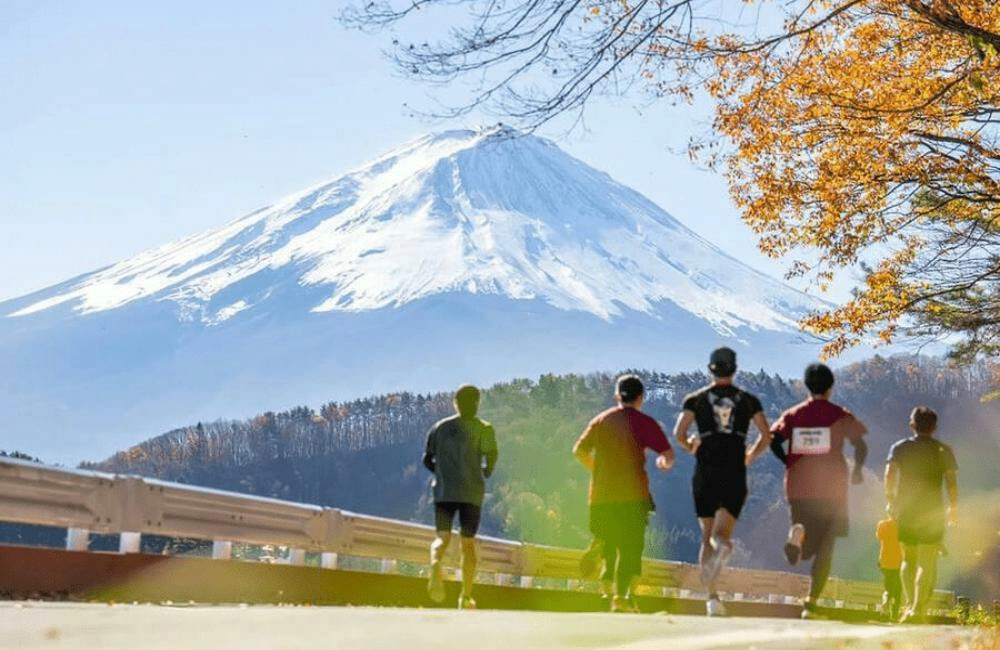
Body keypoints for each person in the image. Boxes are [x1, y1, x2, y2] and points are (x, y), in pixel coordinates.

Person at [673, 347, 772, 617]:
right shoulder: (749, 400)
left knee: (706, 536)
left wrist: (691, 445)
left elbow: (679, 433)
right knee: (721, 534)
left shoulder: (696, 399)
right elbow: (766, 435)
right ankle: (724, 546)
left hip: (706, 469)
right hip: (734, 470)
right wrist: (750, 456)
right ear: (734, 369)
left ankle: (712, 599)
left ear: (710, 369)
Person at [770, 363, 868, 619]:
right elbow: (860, 445)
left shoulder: (793, 414)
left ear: (807, 386)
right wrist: (857, 470)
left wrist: (788, 461)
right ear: (831, 387)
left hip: (799, 484)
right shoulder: (840, 414)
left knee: (804, 531)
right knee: (825, 548)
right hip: (832, 488)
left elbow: (773, 440)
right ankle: (811, 605)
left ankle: (797, 531)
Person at [573, 374, 674, 613]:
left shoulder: (601, 420)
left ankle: (614, 591)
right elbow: (668, 455)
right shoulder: (644, 423)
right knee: (631, 549)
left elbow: (578, 451)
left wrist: (597, 470)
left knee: (610, 549)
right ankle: (622, 598)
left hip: (601, 496)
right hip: (632, 495)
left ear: (617, 395)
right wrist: (662, 463)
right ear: (641, 398)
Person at [423, 384, 499, 609]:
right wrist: (486, 471)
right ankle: (466, 596)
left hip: (444, 492)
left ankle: (435, 562)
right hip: (471, 493)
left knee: (442, 538)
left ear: (455, 403)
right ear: (477, 403)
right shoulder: (484, 428)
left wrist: (442, 473)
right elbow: (491, 455)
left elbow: (427, 459)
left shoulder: (440, 427)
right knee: (467, 544)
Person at [884, 406, 958, 623]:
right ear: (934, 427)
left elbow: (889, 475)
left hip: (907, 509)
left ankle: (908, 605)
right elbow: (951, 484)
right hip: (932, 511)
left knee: (908, 559)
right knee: (927, 560)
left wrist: (890, 501)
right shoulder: (944, 450)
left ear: (912, 425)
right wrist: (953, 508)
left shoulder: (900, 448)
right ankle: (917, 608)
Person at [876, 514, 903, 621]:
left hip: (885, 560)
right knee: (897, 590)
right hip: (899, 561)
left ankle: (885, 606)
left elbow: (880, 538)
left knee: (888, 586)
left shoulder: (882, 524)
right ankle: (894, 615)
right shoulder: (903, 526)